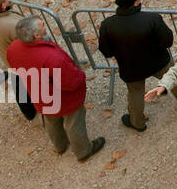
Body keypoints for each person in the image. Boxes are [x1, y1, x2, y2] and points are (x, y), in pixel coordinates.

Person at [96, 0, 177, 132]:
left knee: (135, 94)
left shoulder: (107, 25)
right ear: (135, 2)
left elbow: (106, 51)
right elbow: (167, 41)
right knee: (174, 78)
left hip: (131, 68)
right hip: (158, 61)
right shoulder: (152, 19)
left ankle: (137, 123)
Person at [6, 17, 105, 161]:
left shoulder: (13, 48)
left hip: (38, 94)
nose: (45, 27)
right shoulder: (51, 58)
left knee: (51, 121)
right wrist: (81, 75)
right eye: (42, 26)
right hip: (63, 98)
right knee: (74, 123)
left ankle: (60, 146)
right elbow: (71, 81)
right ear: (37, 36)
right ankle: (83, 151)